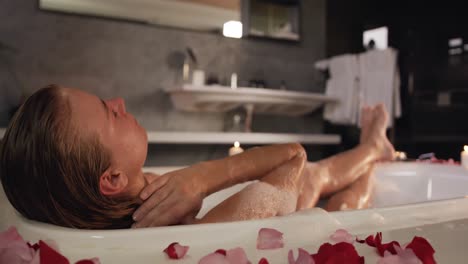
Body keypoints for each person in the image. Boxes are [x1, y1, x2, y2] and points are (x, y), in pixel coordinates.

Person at [0, 85, 394, 229]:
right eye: (110, 113)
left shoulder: (132, 198)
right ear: (112, 179)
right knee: (333, 196)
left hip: (281, 205)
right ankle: (375, 148)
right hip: (290, 210)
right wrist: (203, 176)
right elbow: (295, 156)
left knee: (322, 178)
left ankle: (374, 147)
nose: (120, 102)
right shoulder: (191, 231)